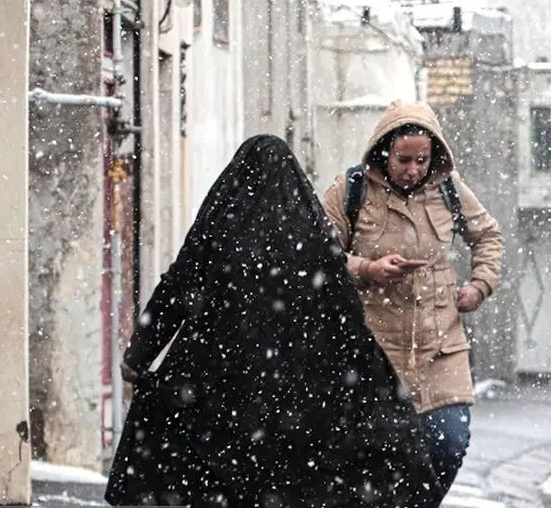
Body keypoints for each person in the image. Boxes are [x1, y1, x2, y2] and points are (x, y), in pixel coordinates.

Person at [105, 134, 442, 508]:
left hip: (220, 395)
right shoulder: (313, 240)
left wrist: (138, 354)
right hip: (295, 406)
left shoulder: (221, 229)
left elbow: (179, 286)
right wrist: (377, 392)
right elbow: (347, 321)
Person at [321, 100, 504, 505]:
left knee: (449, 443)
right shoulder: (349, 191)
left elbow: (488, 237)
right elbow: (319, 255)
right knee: (372, 459)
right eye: (404, 159)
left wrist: (479, 286)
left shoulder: (449, 189)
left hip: (440, 347)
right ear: (384, 152)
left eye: (422, 160)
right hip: (373, 352)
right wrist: (368, 268)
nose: (414, 169)